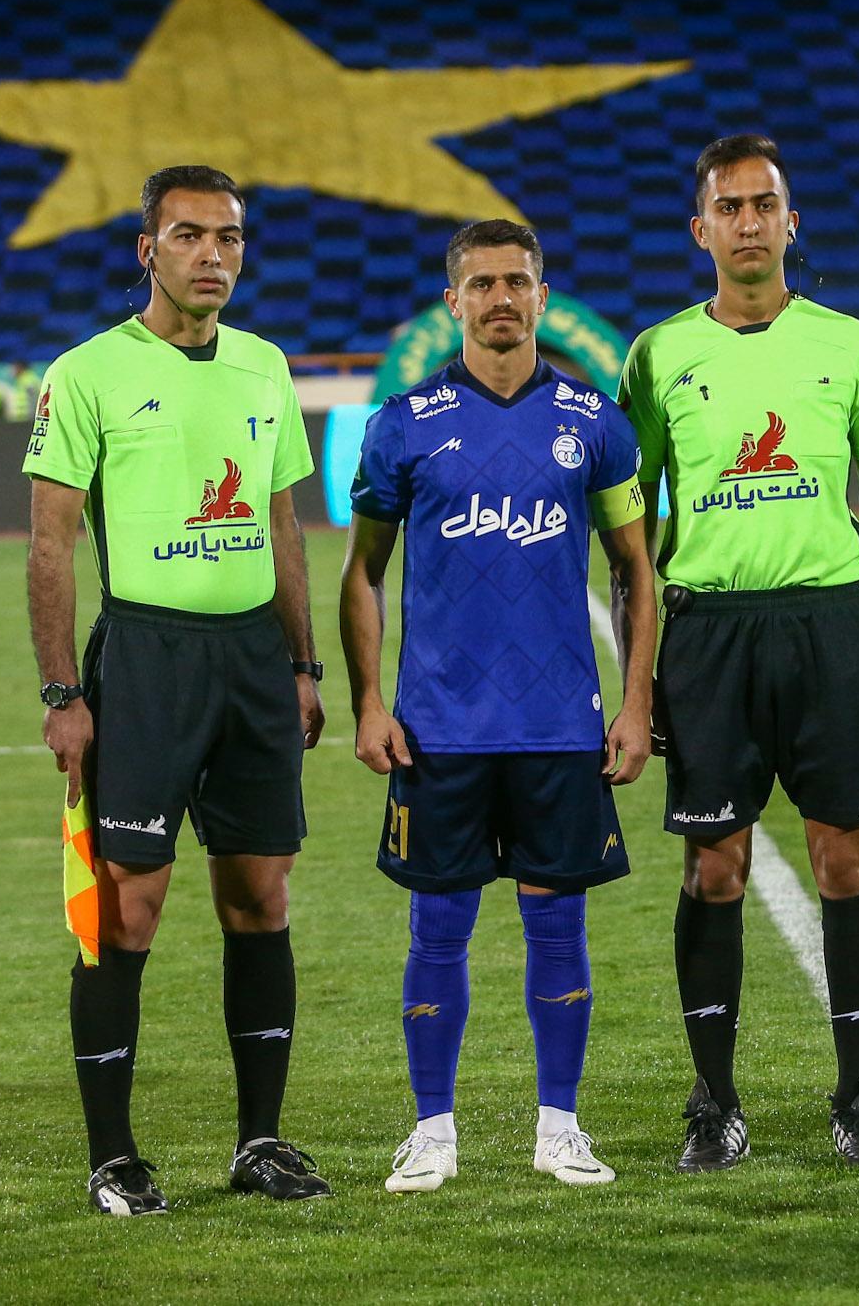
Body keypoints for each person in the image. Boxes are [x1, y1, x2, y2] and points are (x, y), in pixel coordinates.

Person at [23, 165, 328, 1215]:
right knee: (128, 908)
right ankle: (113, 1156)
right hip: (146, 661)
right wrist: (62, 691)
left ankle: (261, 1142)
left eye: (229, 237)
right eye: (190, 235)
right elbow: (51, 546)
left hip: (252, 662)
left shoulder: (264, 367)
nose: (212, 255)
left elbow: (284, 526)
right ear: (146, 250)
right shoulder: (87, 373)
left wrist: (302, 664)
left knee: (260, 896)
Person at [620, 133, 859, 1171]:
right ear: (698, 229)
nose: (747, 222)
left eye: (763, 205)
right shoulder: (657, 355)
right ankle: (714, 1100)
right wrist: (638, 676)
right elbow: (628, 533)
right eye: (728, 207)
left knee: (846, 857)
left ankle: (856, 1088)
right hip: (708, 633)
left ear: (791, 222)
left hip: (830, 626)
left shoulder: (850, 345)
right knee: (714, 865)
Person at [341, 220, 656, 1192]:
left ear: (543, 296)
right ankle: (432, 1130)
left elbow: (634, 571)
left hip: (560, 726)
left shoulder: (594, 422)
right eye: (480, 284)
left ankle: (559, 1127)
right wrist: (368, 701)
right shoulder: (403, 423)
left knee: (558, 927)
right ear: (453, 302)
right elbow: (362, 572)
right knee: (437, 928)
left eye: (517, 281)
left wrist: (635, 702)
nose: (501, 299)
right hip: (438, 729)